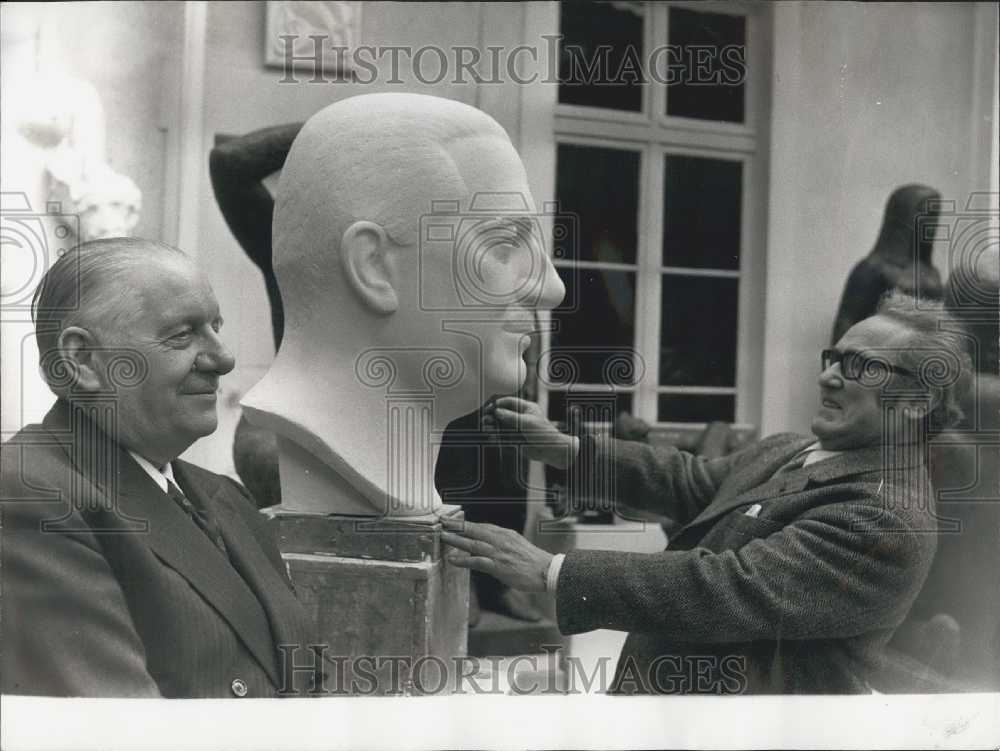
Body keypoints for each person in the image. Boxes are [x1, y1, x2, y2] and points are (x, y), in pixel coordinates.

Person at [442, 292, 973, 693]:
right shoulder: (793, 448)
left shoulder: (885, 514)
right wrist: (565, 450)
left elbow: (725, 589)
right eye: (833, 358)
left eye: (863, 366)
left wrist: (551, 572)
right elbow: (691, 482)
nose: (830, 377)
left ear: (917, 401)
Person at [0, 238, 320, 698]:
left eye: (215, 327)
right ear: (84, 360)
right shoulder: (31, 494)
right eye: (182, 335)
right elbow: (123, 733)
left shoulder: (223, 497)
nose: (223, 358)